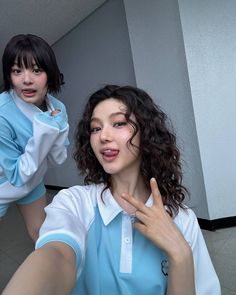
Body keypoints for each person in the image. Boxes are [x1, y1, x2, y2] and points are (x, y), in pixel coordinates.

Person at [3, 85, 220, 294]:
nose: (103, 136)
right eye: (96, 128)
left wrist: (180, 255)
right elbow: (56, 255)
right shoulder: (75, 203)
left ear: (146, 132)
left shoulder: (183, 220)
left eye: (118, 124)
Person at [0, 34, 69, 242]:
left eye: (36, 70)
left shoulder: (56, 108)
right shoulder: (2, 112)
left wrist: (54, 128)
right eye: (16, 71)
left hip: (32, 182)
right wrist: (46, 130)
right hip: (4, 185)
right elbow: (17, 175)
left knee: (43, 236)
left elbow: (57, 159)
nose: (26, 80)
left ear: (49, 73)